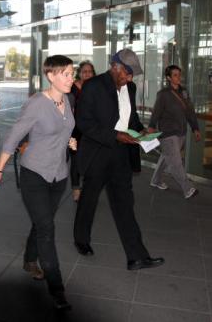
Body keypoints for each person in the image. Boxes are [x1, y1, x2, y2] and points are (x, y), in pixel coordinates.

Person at [0, 55, 77, 311]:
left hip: (59, 174)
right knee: (47, 228)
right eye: (66, 74)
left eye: (72, 73)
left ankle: (30, 259)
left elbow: (65, 128)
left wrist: (69, 141)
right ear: (51, 76)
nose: (71, 78)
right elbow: (14, 136)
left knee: (43, 222)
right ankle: (57, 287)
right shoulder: (37, 104)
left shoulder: (67, 99)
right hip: (35, 175)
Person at [73, 49, 164, 271]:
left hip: (121, 155)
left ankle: (136, 256)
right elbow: (84, 122)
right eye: (128, 72)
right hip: (97, 154)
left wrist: (141, 131)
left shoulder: (130, 88)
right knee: (89, 200)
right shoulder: (93, 86)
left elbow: (130, 118)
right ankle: (81, 239)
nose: (131, 78)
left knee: (125, 203)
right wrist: (115, 135)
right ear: (115, 66)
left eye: (132, 74)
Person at [148, 64, 201, 199]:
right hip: (168, 133)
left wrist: (195, 128)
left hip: (181, 132)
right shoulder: (163, 95)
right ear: (168, 78)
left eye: (179, 74)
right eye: (175, 75)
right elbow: (156, 112)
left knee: (167, 157)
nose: (178, 77)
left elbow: (190, 112)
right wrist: (151, 126)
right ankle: (187, 189)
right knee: (176, 163)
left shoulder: (184, 93)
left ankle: (156, 180)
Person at [68, 61, 95, 201]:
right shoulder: (72, 87)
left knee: (90, 159)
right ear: (79, 73)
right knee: (76, 160)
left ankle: (88, 186)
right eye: (84, 71)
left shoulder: (96, 87)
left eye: (90, 71)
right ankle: (75, 188)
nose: (87, 74)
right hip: (75, 129)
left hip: (91, 129)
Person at [126, 70, 144, 173]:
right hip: (121, 131)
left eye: (131, 74)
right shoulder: (126, 86)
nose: (130, 76)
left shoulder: (131, 86)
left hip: (131, 129)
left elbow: (132, 110)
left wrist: (140, 127)